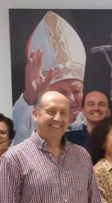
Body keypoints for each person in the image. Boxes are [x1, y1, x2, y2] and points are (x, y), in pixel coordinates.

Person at [12, 11, 87, 144]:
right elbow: (19, 143)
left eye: (76, 91)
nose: (71, 99)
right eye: (62, 92)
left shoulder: (92, 128)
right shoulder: (31, 125)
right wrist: (30, 97)